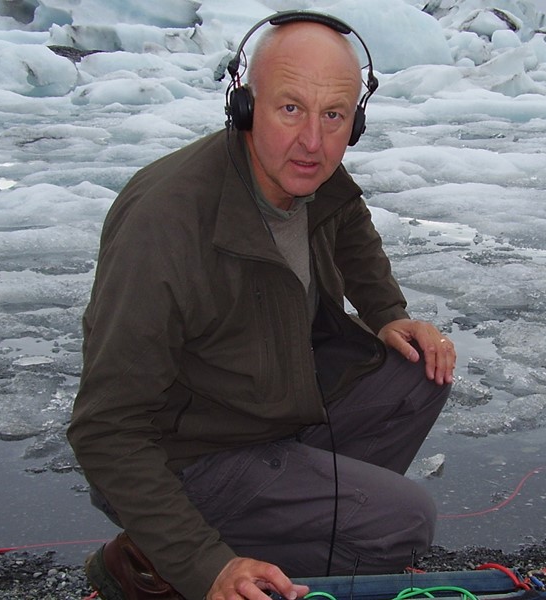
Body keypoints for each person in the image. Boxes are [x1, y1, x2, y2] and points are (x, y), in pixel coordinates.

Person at [67, 11, 456, 600]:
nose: (313, 141)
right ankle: (173, 561)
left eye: (334, 116)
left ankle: (264, 539)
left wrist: (387, 313)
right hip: (191, 453)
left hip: (265, 412)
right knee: (402, 524)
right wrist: (206, 566)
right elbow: (106, 430)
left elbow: (350, 225)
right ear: (244, 106)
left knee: (419, 370)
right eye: (290, 108)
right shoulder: (165, 226)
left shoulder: (308, 171)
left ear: (356, 121)